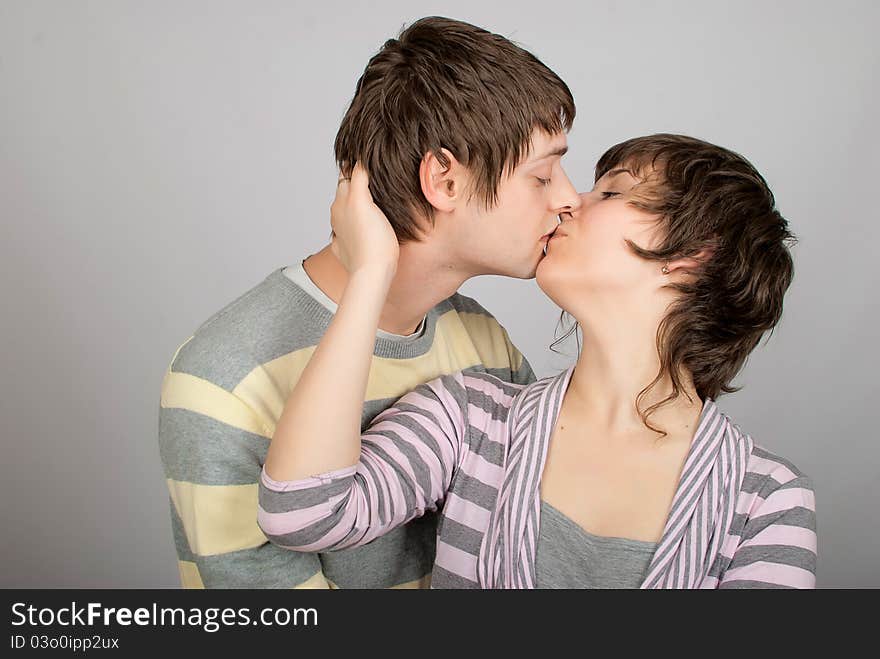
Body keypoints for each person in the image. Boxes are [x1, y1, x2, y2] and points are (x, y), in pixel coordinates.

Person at [258, 134, 818, 588]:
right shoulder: (469, 417)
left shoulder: (766, 502)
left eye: (613, 193)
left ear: (695, 254)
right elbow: (302, 513)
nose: (570, 201)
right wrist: (370, 275)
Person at [157, 16, 581, 588]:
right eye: (542, 174)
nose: (570, 197)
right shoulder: (226, 377)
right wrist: (372, 275)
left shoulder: (484, 345)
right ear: (445, 181)